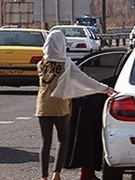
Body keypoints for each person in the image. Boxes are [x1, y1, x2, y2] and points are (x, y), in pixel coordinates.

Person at [35, 30, 116, 180]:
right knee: (63, 140)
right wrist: (104, 88)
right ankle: (56, 174)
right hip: (60, 106)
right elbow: (83, 79)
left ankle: (43, 176)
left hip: (42, 106)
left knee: (45, 141)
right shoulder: (66, 64)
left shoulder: (41, 64)